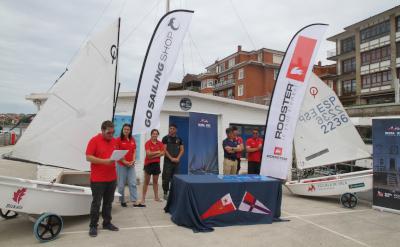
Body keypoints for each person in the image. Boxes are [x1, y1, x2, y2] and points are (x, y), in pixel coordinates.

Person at [86, 120, 120, 237]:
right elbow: (88, 157)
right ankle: (93, 226)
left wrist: (126, 160)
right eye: (109, 133)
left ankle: (107, 223)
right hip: (98, 179)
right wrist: (104, 161)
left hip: (111, 178)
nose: (111, 135)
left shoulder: (114, 141)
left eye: (113, 132)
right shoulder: (94, 140)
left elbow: (116, 156)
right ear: (102, 131)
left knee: (108, 203)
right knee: (96, 203)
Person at [116, 123, 141, 207]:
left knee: (133, 183)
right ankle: (122, 200)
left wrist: (133, 160)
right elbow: (118, 154)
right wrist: (125, 162)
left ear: (130, 131)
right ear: (122, 130)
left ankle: (134, 200)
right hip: (121, 165)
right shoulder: (118, 140)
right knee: (121, 185)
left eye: (128, 129)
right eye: (125, 129)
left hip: (131, 165)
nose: (126, 131)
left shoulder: (132, 139)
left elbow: (134, 151)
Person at [139, 129, 165, 206]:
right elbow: (148, 155)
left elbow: (163, 153)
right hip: (148, 164)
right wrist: (157, 152)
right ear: (151, 134)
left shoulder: (160, 143)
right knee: (146, 182)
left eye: (156, 134)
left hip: (156, 164)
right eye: (153, 134)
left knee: (155, 182)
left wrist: (153, 155)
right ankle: (143, 198)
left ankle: (156, 197)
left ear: (158, 135)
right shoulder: (148, 143)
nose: (155, 135)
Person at [162, 123, 184, 200]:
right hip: (168, 162)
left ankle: (174, 193)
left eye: (173, 128)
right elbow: (164, 150)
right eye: (170, 128)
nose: (171, 130)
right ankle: (165, 193)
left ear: (176, 130)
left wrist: (178, 158)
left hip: (176, 162)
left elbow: (182, 150)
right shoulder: (165, 138)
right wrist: (171, 158)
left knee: (175, 178)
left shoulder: (179, 139)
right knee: (166, 178)